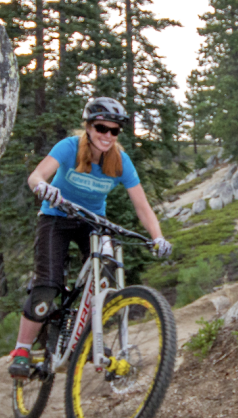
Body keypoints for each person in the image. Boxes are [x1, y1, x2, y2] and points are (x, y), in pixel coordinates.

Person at [9, 96, 173, 380]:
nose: (107, 135)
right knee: (47, 287)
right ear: (88, 126)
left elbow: (142, 206)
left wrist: (158, 237)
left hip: (92, 223)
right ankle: (22, 350)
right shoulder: (69, 147)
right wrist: (43, 189)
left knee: (105, 276)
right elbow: (36, 176)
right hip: (56, 218)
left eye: (114, 131)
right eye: (101, 128)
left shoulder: (120, 161)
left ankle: (91, 339)